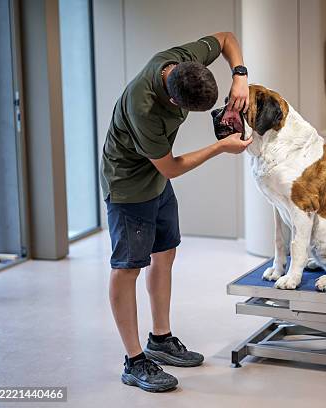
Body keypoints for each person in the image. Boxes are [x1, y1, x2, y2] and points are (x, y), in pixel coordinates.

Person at [99, 32, 252, 392]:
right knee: (128, 268)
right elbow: (171, 167)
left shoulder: (181, 58)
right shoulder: (145, 107)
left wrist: (240, 77)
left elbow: (227, 39)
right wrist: (220, 147)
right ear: (171, 98)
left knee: (164, 254)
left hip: (155, 180)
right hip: (129, 187)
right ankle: (134, 361)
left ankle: (160, 339)